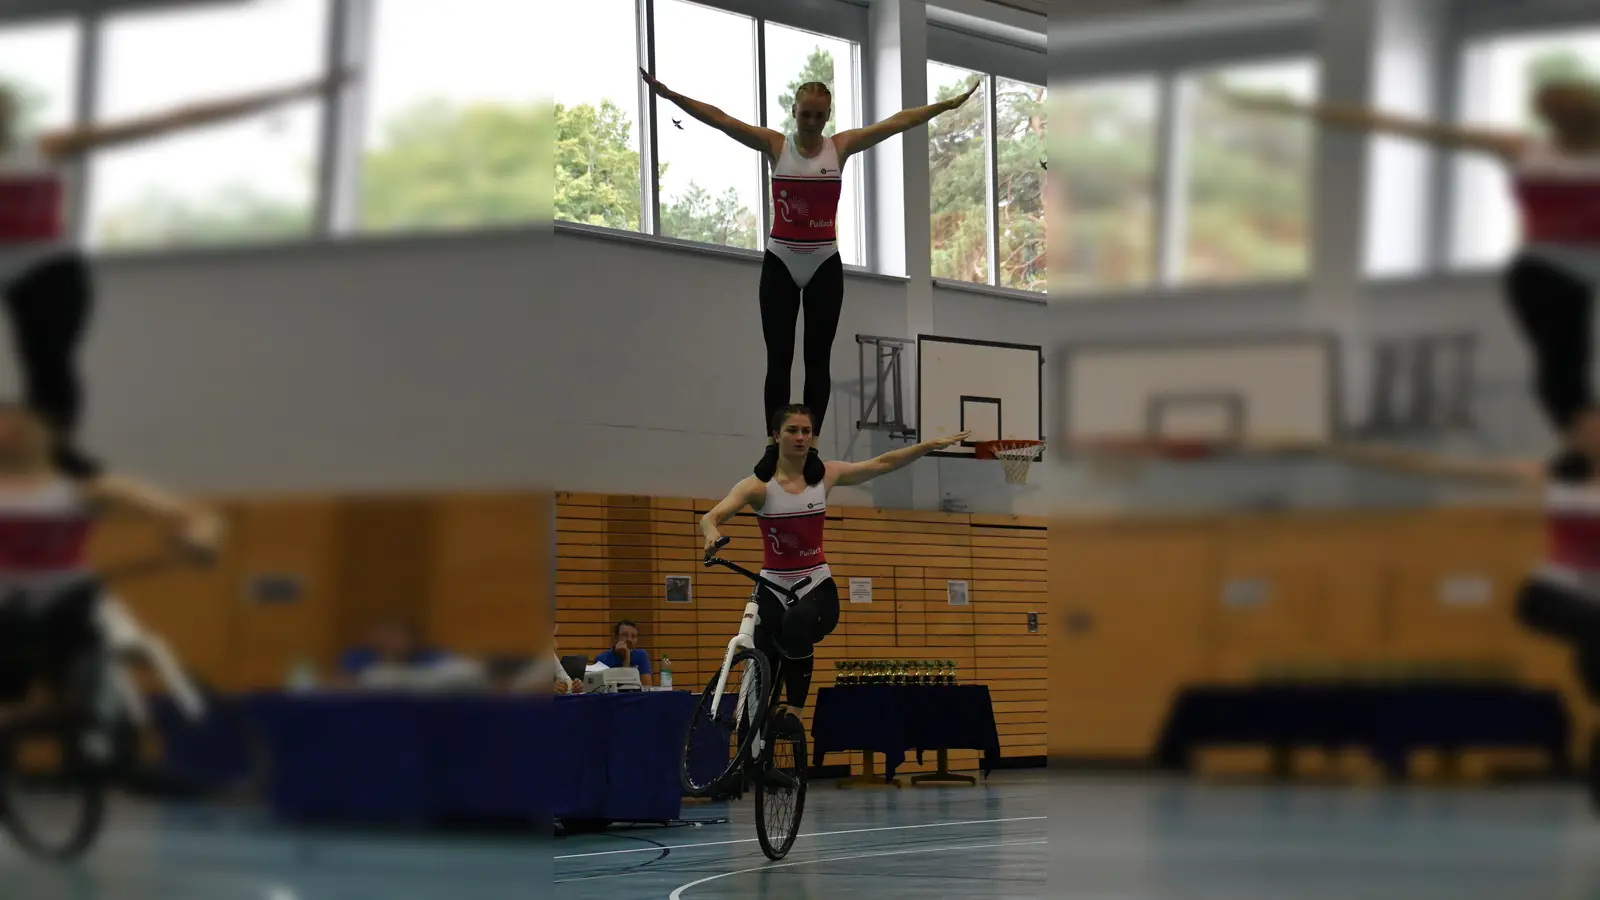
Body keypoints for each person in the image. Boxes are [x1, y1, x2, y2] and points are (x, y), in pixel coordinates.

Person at [1223, 78, 1600, 462]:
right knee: (1562, 377)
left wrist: (1298, 108)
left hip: (1546, 270)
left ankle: (1586, 442)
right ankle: (1589, 447)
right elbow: (1395, 124)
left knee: (1561, 377)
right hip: (1549, 270)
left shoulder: (1522, 149)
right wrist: (1300, 109)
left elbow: (1397, 125)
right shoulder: (1524, 150)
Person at [0, 72, 350, 477]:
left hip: (48, 268)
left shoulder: (44, 148)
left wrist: (285, 93)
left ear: (12, 115)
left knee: (48, 361)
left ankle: (58, 451)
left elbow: (171, 119)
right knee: (46, 362)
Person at [640, 69, 981, 485]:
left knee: (817, 361)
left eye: (820, 116)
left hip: (823, 262)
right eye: (805, 115)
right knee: (779, 360)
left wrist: (945, 105)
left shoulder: (840, 147)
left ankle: (813, 447)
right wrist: (670, 93)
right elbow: (720, 119)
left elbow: (898, 122)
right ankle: (772, 446)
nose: (812, 123)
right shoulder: (775, 145)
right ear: (794, 112)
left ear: (828, 115)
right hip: (781, 260)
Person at [698, 403, 966, 718]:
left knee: (795, 623)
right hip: (772, 586)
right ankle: (750, 748)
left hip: (815, 587)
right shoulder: (756, 487)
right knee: (758, 667)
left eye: (806, 431)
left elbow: (881, 463)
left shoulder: (825, 476)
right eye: (792, 430)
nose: (800, 437)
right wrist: (711, 534)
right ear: (775, 436)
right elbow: (711, 517)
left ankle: (795, 708)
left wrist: (928, 446)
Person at [0, 401, 222, 721]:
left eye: (18, 427)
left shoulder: (89, 490)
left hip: (69, 609)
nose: (11, 435)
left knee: (85, 659)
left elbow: (197, 515)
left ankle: (97, 728)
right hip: (9, 611)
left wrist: (200, 537)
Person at [595, 619, 653, 687]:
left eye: (633, 636)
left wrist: (627, 657)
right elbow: (599, 689)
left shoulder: (641, 655)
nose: (629, 639)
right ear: (615, 637)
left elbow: (647, 686)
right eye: (625, 635)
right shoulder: (602, 659)